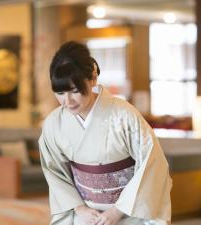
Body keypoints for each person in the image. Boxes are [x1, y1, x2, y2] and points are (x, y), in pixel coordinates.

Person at [38, 41, 172, 225]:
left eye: (74, 91)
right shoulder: (54, 123)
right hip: (84, 213)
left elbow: (152, 165)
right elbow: (54, 172)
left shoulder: (124, 115)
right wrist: (80, 208)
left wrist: (117, 211)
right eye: (60, 92)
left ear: (92, 78)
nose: (67, 101)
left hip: (128, 211)